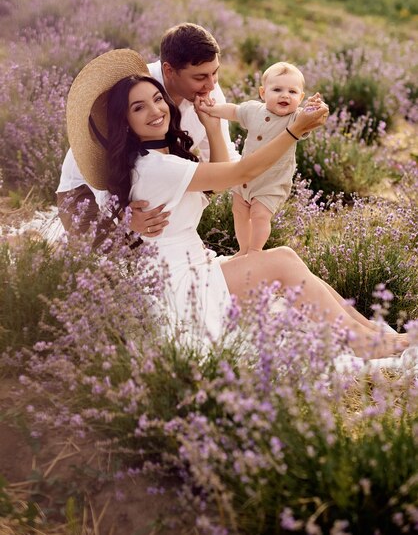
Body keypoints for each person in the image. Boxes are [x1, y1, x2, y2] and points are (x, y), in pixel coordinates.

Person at [66, 48, 409, 360]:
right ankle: (363, 342)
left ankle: (372, 331)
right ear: (125, 122)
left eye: (157, 99)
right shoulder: (157, 166)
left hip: (192, 267)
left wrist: (212, 127)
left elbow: (211, 188)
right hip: (181, 286)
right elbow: (243, 170)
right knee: (282, 261)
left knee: (284, 257)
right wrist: (293, 132)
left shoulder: (155, 155)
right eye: (138, 108)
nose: (156, 110)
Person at [57, 23, 239, 242]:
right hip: (90, 190)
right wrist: (121, 214)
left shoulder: (209, 91)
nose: (210, 85)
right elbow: (95, 161)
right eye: (200, 77)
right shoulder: (131, 87)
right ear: (169, 71)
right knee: (111, 270)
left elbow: (223, 164)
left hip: (150, 191)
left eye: (215, 73)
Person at [196, 61, 320, 257]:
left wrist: (313, 108)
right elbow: (234, 111)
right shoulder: (254, 110)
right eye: (277, 89)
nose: (285, 95)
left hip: (271, 182)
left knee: (260, 215)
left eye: (293, 92)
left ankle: (255, 250)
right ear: (263, 93)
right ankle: (243, 248)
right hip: (244, 177)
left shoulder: (294, 118)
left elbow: (309, 121)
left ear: (301, 97)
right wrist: (213, 110)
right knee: (239, 212)